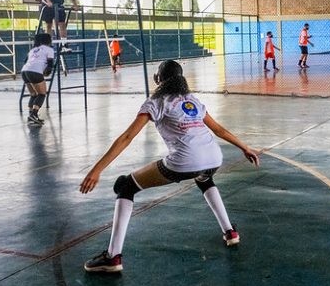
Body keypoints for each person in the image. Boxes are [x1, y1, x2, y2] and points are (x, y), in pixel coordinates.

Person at [80, 60, 260, 273]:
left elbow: (127, 136)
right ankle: (230, 232)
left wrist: (97, 169)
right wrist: (245, 147)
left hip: (185, 161)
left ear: (159, 79)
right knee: (204, 178)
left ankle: (112, 257)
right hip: (213, 157)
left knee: (126, 186)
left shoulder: (155, 102)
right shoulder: (191, 99)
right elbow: (219, 130)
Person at [21, 33, 54, 126]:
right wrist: (46, 72)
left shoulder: (33, 50)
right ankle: (34, 114)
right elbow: (50, 64)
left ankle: (30, 115)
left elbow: (25, 61)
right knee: (42, 94)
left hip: (24, 71)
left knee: (34, 94)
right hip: (35, 71)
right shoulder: (49, 49)